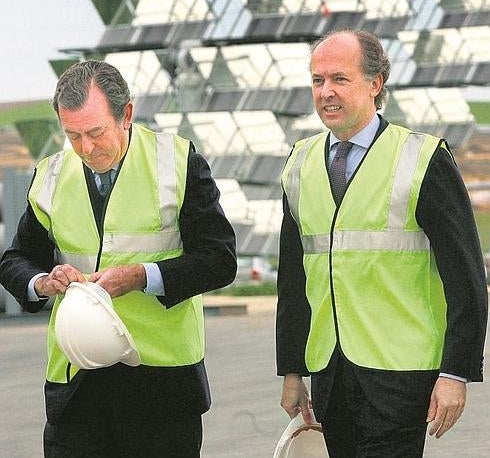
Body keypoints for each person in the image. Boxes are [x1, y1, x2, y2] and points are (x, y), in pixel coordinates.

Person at [0, 60, 237, 458]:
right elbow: (15, 259)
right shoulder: (52, 175)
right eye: (73, 135)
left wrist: (142, 276)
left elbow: (219, 259)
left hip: (162, 389)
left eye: (95, 132)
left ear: (126, 114)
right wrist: (42, 282)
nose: (86, 149)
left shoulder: (177, 163)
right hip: (75, 388)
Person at [276, 30, 488, 457]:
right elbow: (294, 276)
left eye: (339, 79)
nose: (326, 92)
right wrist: (293, 370)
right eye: (318, 81)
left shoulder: (422, 159)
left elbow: (466, 276)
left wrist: (456, 373)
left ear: (376, 83)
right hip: (331, 372)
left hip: (401, 373)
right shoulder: (300, 164)